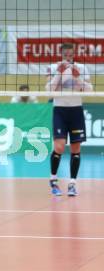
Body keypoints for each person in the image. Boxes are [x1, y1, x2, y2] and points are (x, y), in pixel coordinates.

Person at [45, 43, 93, 196]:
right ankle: (53, 180)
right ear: (61, 53)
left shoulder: (82, 68)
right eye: (65, 54)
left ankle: (72, 183)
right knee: (59, 147)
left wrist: (77, 77)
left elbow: (89, 90)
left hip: (76, 111)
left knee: (75, 149)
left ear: (73, 54)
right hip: (59, 110)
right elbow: (49, 91)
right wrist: (59, 73)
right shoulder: (52, 67)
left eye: (70, 54)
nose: (67, 56)